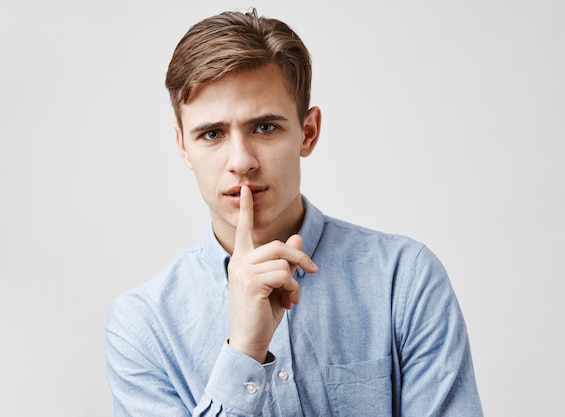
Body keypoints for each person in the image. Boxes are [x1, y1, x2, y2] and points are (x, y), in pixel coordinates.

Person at [105, 8, 483, 417]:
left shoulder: (404, 280)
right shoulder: (143, 325)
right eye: (211, 134)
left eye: (265, 127)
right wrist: (244, 354)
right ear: (183, 147)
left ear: (308, 132)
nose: (241, 161)